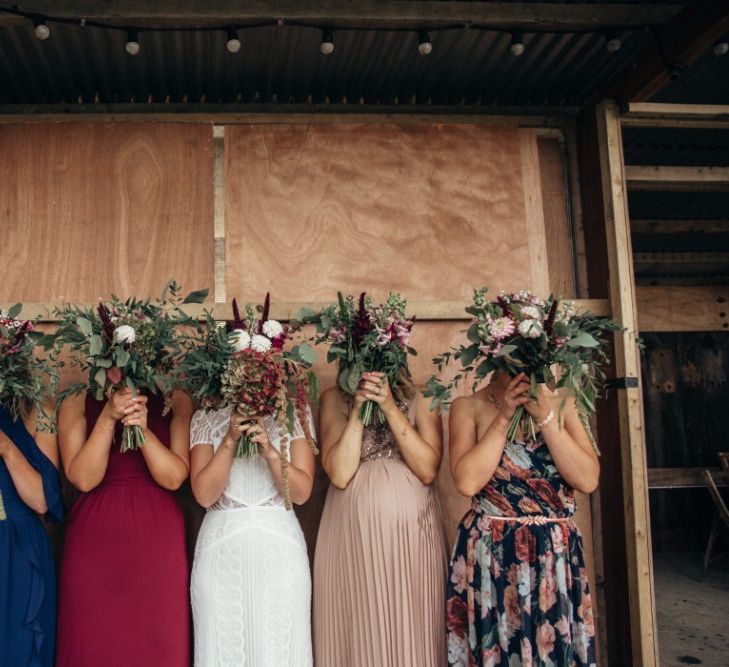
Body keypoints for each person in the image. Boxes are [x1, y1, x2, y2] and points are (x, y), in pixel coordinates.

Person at [446, 371, 599, 666]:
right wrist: (504, 417)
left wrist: (545, 417)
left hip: (552, 557)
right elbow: (466, 482)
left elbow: (588, 479)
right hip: (493, 558)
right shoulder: (468, 406)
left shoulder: (564, 403)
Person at [314, 370, 447, 667]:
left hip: (410, 538)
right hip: (352, 538)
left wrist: (387, 405)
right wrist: (360, 410)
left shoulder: (424, 396)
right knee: (357, 626)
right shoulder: (335, 399)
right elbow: (339, 473)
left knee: (411, 625)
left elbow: (427, 469)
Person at [56, 388, 192, 666]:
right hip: (95, 541)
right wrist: (108, 416)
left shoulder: (176, 398)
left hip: (156, 542)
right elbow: (83, 479)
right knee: (92, 643)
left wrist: (141, 429)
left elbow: (174, 478)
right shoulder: (76, 398)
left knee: (157, 645)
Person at [189, 402, 316, 666]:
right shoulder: (206, 415)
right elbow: (204, 494)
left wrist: (269, 450)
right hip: (223, 555)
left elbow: (301, 493)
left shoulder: (294, 411)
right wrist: (230, 438)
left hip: (279, 555)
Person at [0, 402, 63, 667]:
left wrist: (5, 446)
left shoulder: (38, 411)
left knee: (17, 649)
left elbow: (41, 501)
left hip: (18, 551)